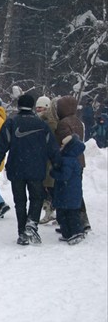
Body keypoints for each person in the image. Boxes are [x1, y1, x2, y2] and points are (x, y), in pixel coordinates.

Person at [0, 94, 60, 246]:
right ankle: (32, 223)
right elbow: (52, 148)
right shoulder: (41, 124)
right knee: (37, 198)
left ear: (18, 106)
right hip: (36, 168)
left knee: (20, 201)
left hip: (16, 168)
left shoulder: (12, 122)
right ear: (33, 105)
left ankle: (22, 232)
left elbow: (0, 146)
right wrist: (57, 164)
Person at [55, 96, 91, 233]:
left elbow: (66, 142)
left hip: (68, 161)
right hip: (79, 160)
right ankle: (81, 220)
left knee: (68, 193)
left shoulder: (63, 123)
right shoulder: (78, 121)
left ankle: (75, 223)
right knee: (76, 192)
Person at [50, 134, 86, 245]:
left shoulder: (67, 160)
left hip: (67, 193)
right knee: (63, 214)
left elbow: (64, 176)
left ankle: (76, 232)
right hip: (68, 193)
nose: (61, 146)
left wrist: (53, 173)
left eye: (63, 145)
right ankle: (67, 233)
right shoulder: (70, 159)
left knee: (70, 215)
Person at [37, 96, 59, 225]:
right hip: (45, 159)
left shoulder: (49, 122)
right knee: (47, 187)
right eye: (37, 107)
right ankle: (51, 212)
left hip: (48, 159)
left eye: (41, 107)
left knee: (48, 187)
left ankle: (50, 212)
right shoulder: (43, 120)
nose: (39, 110)